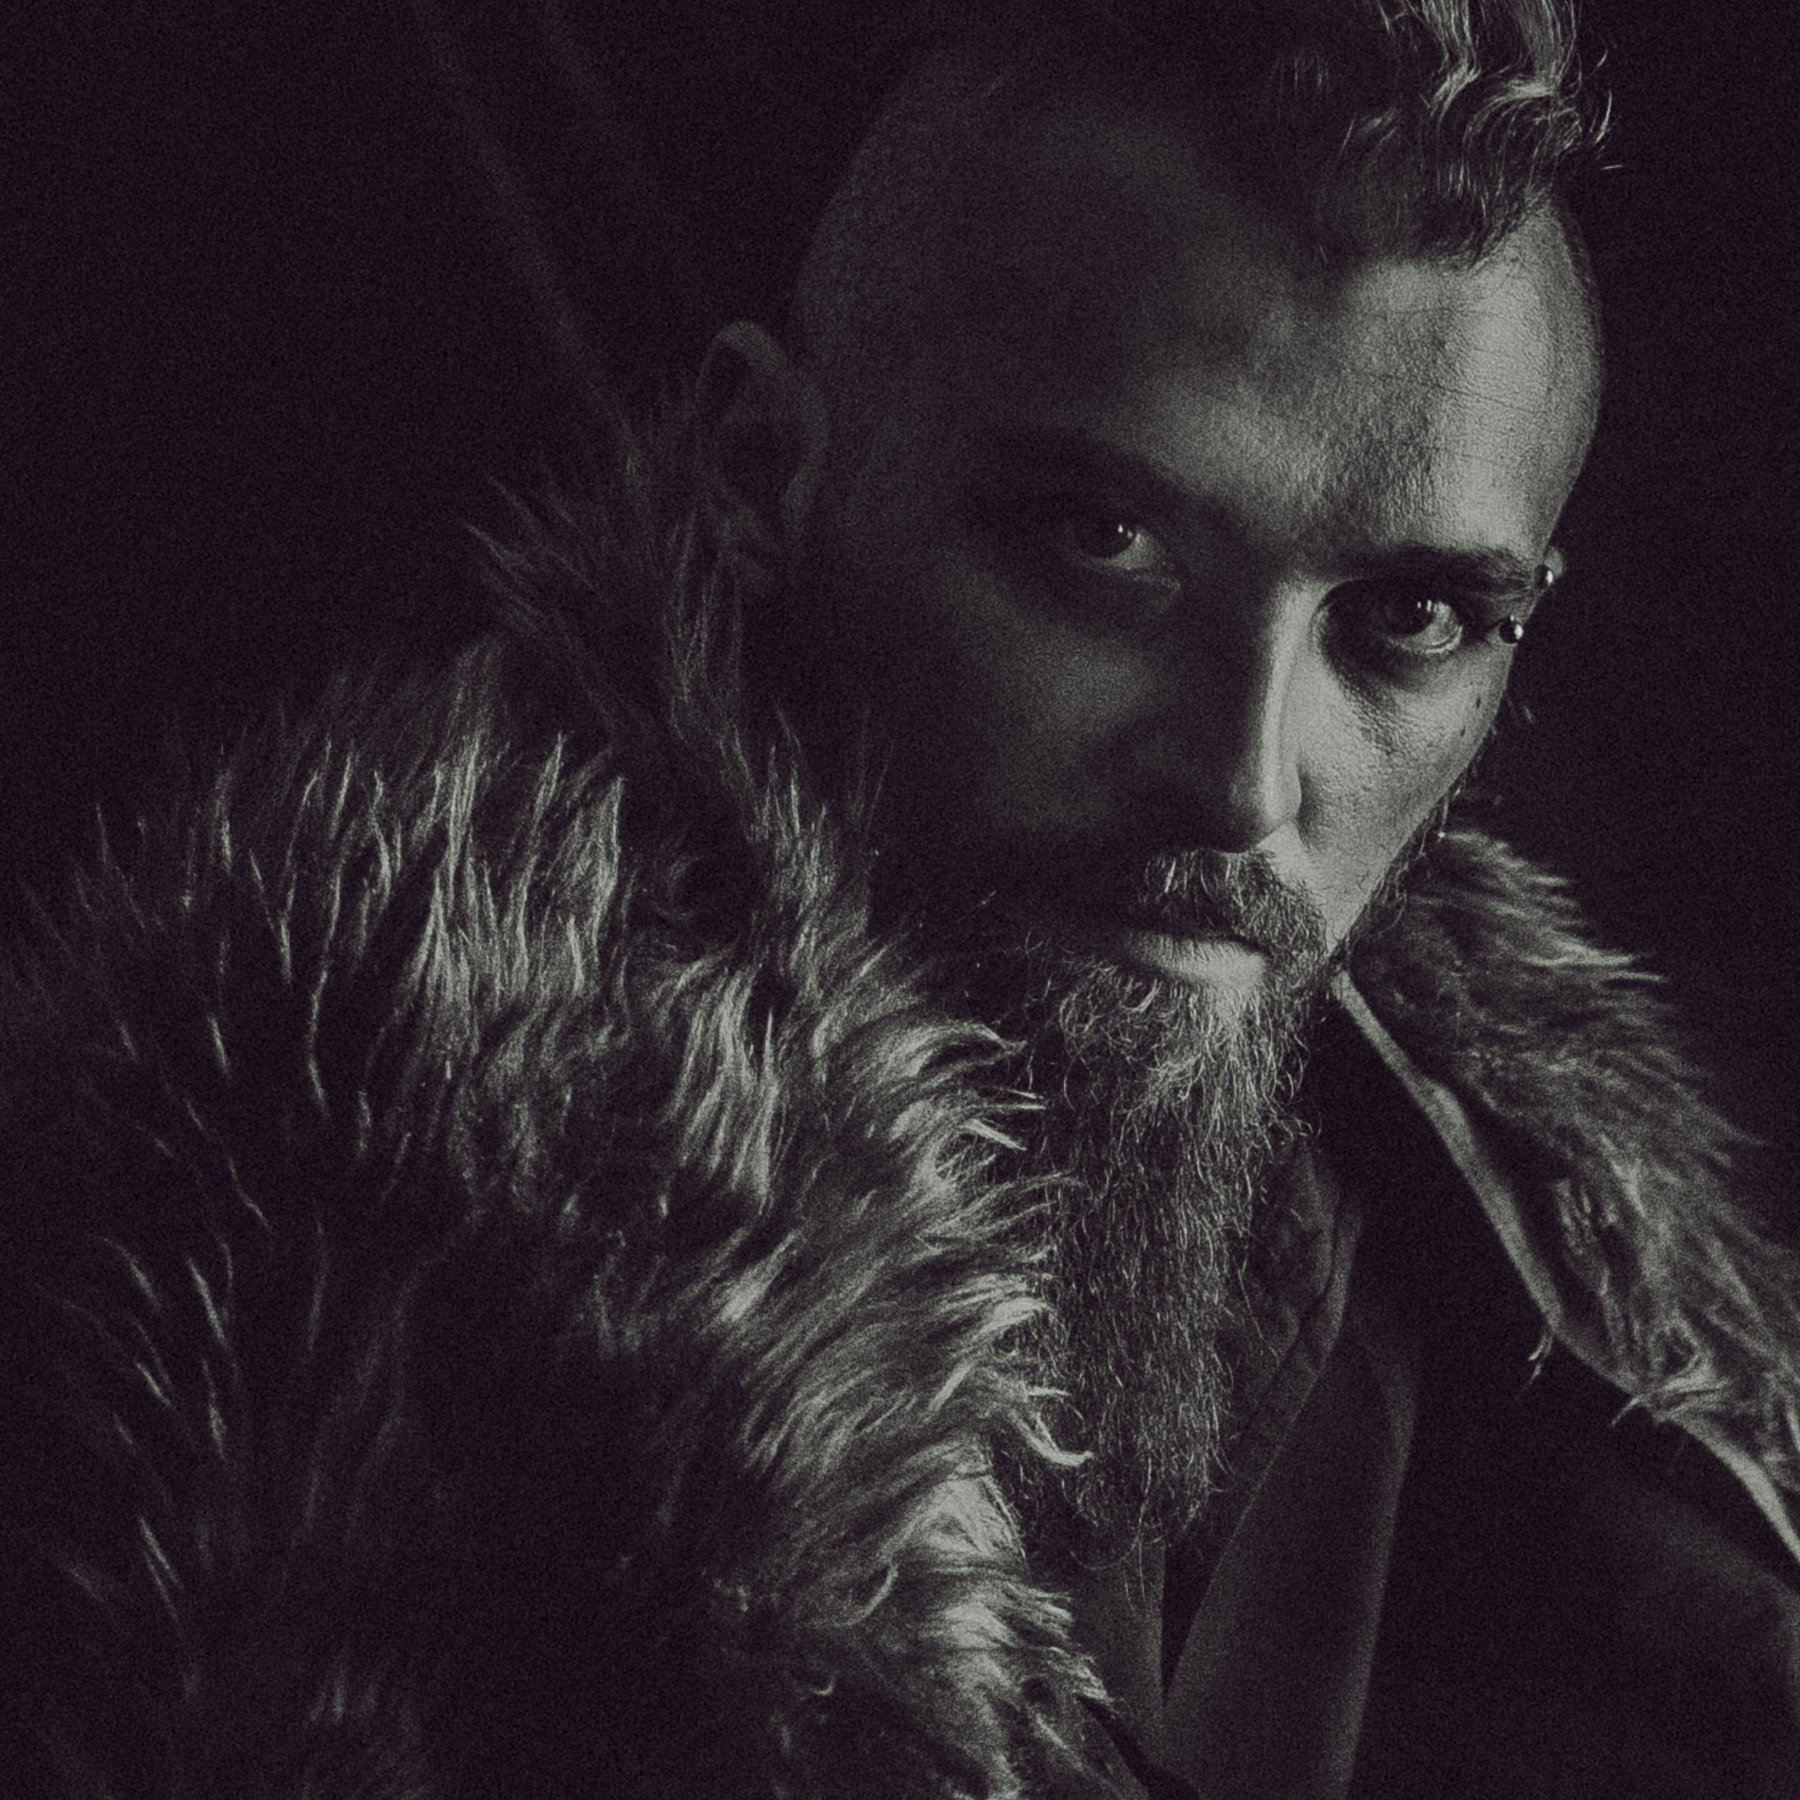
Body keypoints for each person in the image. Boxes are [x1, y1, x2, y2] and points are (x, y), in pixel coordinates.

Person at [4, 2, 1798, 1796]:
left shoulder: (1497, 1253)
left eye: (1410, 620)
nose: (1248, 785)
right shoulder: (325, 1263)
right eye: (1104, 542)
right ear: (757, 472)